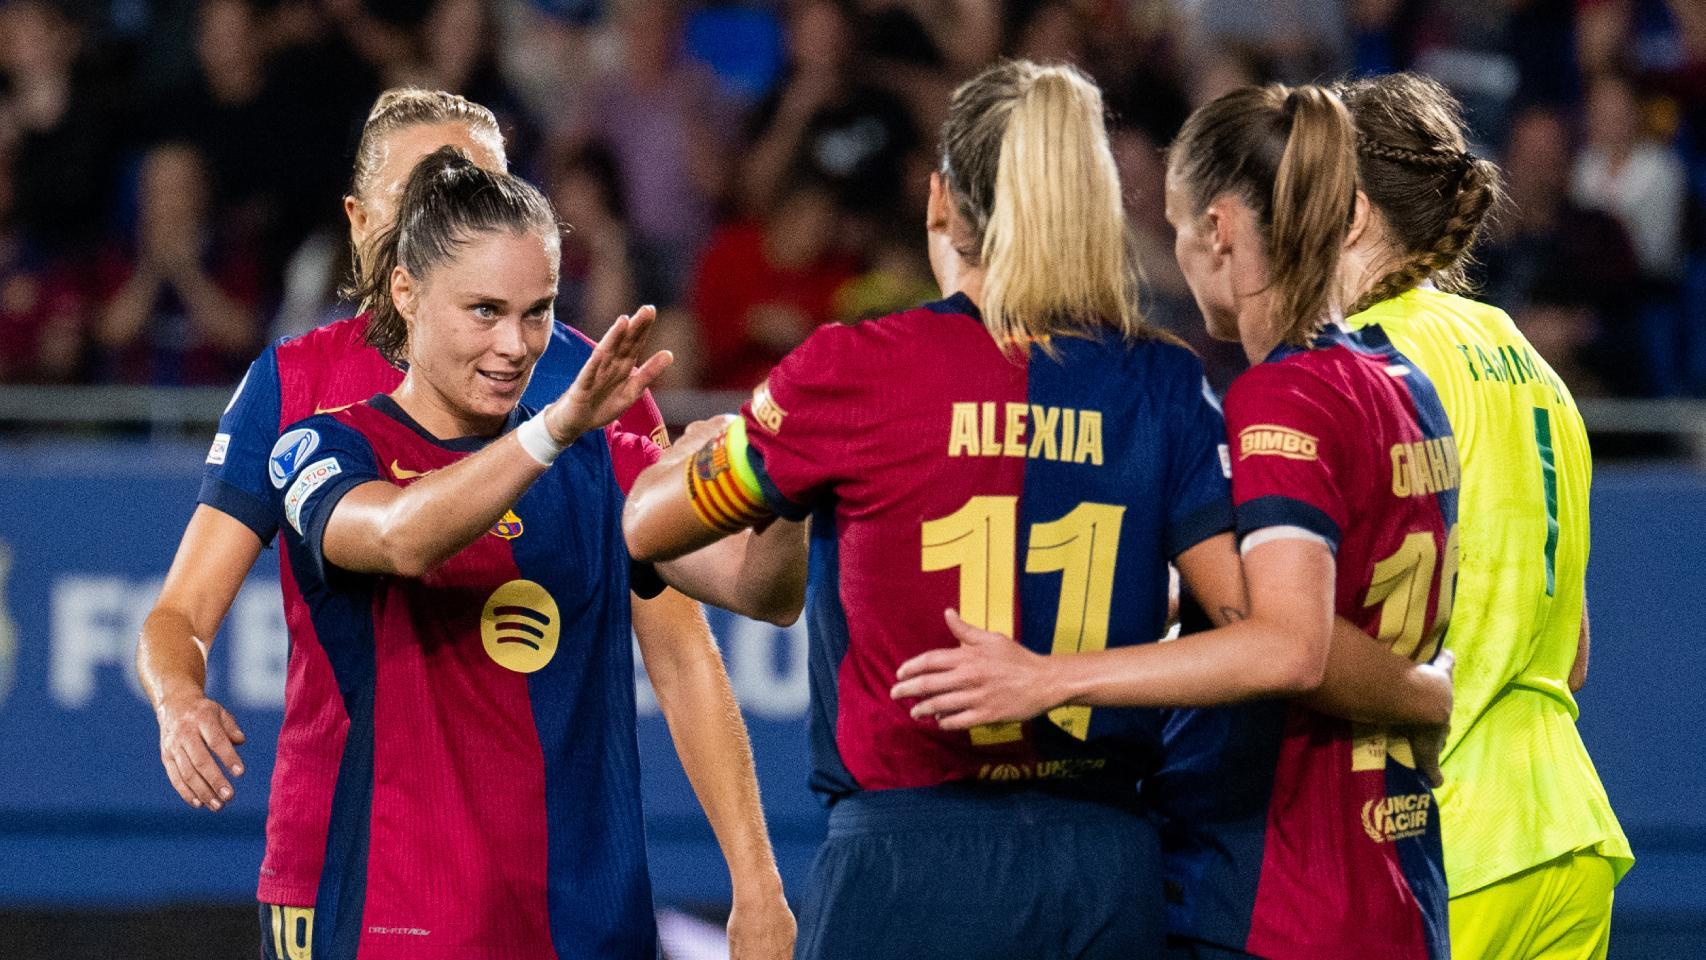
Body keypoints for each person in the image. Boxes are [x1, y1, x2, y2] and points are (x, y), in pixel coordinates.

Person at [623, 61, 1449, 960]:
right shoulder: (1164, 384)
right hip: (1105, 873)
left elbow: (649, 529)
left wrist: (700, 451)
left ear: (942, 201)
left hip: (911, 870)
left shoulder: (856, 370)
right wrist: (1420, 687)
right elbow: (1264, 629)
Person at [136, 90, 796, 957]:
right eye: (428, 193)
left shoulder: (591, 386)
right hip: (356, 862)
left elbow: (685, 635)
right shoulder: (304, 399)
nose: (456, 211)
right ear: (367, 224)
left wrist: (785, 469)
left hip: (570, 888)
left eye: (478, 187)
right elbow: (190, 607)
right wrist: (179, 700)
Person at [884, 83, 1461, 960]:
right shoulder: (1403, 386)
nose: (1172, 253)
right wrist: (1421, 689)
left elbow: (1288, 642)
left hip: (1278, 893)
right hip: (1399, 881)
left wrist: (1051, 677)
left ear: (1220, 229)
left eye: (1178, 224)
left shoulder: (1280, 398)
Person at [1336, 71, 1632, 960]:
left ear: (1350, 213)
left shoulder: (1366, 367)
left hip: (1434, 848)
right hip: (1566, 843)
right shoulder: (1537, 370)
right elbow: (1571, 652)